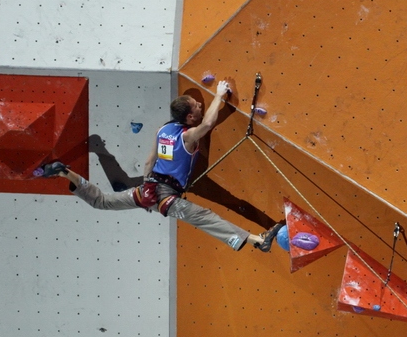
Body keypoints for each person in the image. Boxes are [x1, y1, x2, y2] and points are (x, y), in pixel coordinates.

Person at [42, 79, 284, 252]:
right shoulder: (187, 137)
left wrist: (147, 187)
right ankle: (257, 240)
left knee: (102, 201)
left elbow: (150, 161)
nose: (200, 105)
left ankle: (67, 173)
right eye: (197, 106)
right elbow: (209, 123)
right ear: (189, 118)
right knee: (205, 217)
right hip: (167, 196)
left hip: (149, 189)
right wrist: (220, 95)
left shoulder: (164, 131)